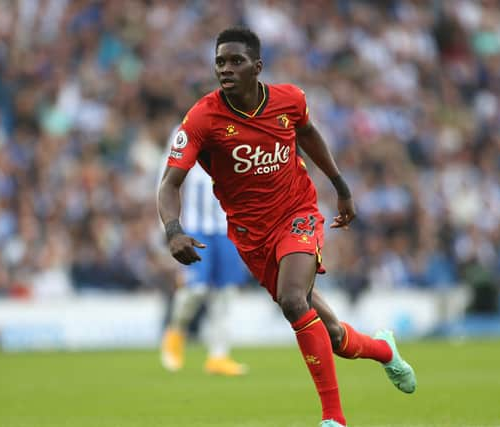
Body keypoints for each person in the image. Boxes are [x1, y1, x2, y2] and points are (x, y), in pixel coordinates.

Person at [157, 27, 416, 427]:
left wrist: (341, 185)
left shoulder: (289, 100)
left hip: (298, 214)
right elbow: (169, 183)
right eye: (220, 61)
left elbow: (309, 135)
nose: (226, 69)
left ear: (257, 67)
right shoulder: (203, 118)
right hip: (250, 236)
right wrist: (173, 230)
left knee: (293, 301)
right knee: (332, 335)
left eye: (236, 61)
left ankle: (334, 419)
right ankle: (384, 350)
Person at [159, 127, 249, 377]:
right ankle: (175, 331)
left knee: (226, 293)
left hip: (229, 227)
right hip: (196, 227)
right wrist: (168, 227)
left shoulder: (240, 131)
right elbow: (165, 180)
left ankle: (218, 357)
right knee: (196, 289)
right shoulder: (185, 133)